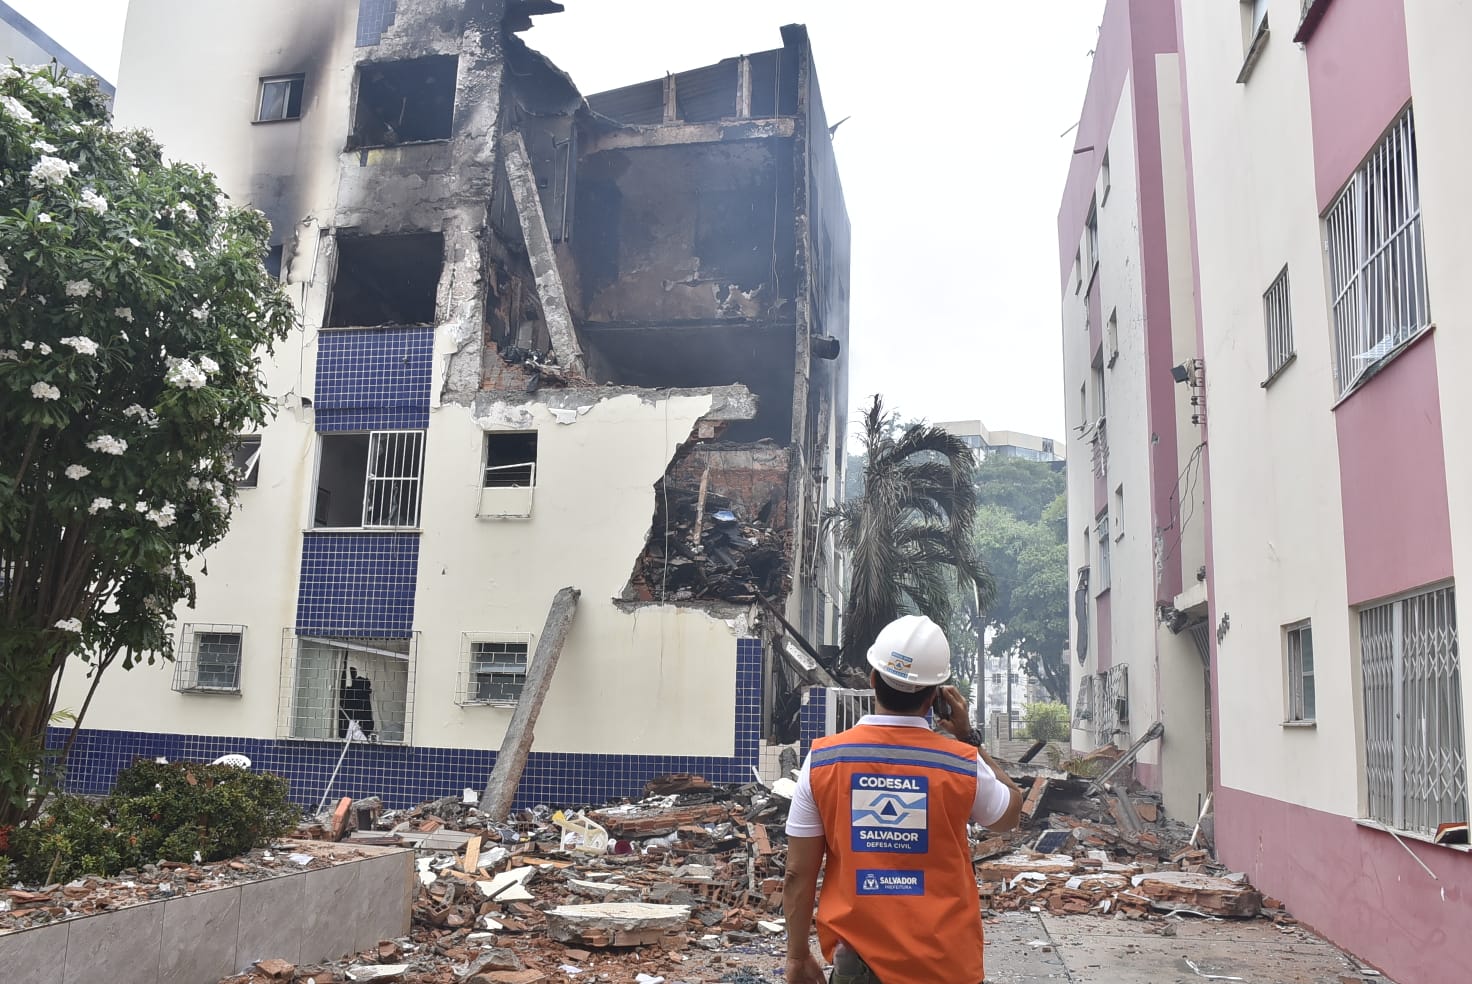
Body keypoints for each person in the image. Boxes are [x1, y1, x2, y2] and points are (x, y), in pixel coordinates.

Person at [782, 615, 1025, 984]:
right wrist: (968, 738)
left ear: (873, 678)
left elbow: (798, 872)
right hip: (947, 967)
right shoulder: (961, 763)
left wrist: (797, 956)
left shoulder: (823, 761)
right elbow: (1010, 812)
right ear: (935, 696)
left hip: (859, 971)